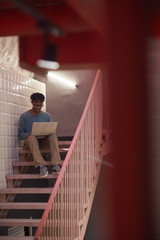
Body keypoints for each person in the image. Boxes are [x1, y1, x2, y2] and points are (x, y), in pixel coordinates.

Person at [18, 92, 61, 178]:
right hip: (31, 142)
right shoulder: (24, 116)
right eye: (36, 105)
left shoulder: (47, 116)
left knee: (53, 136)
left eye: (40, 105)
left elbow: (50, 131)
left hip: (43, 141)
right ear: (32, 103)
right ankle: (41, 165)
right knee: (31, 137)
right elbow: (20, 134)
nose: (38, 107)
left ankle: (56, 164)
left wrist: (46, 134)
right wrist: (30, 134)